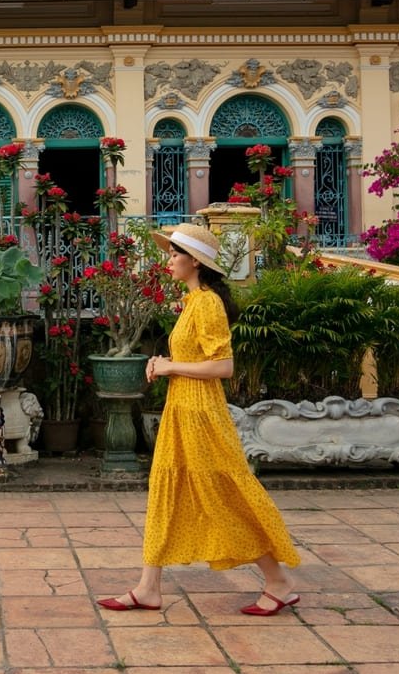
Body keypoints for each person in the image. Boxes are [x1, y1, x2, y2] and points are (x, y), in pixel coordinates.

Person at [96, 223, 302, 616]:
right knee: (165, 492)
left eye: (174, 254)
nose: (168, 260)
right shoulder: (192, 302)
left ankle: (278, 580)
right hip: (182, 410)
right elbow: (194, 360)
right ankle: (148, 587)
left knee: (222, 496)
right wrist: (165, 364)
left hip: (202, 414)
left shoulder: (207, 303)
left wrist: (171, 365)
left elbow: (223, 366)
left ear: (195, 261)